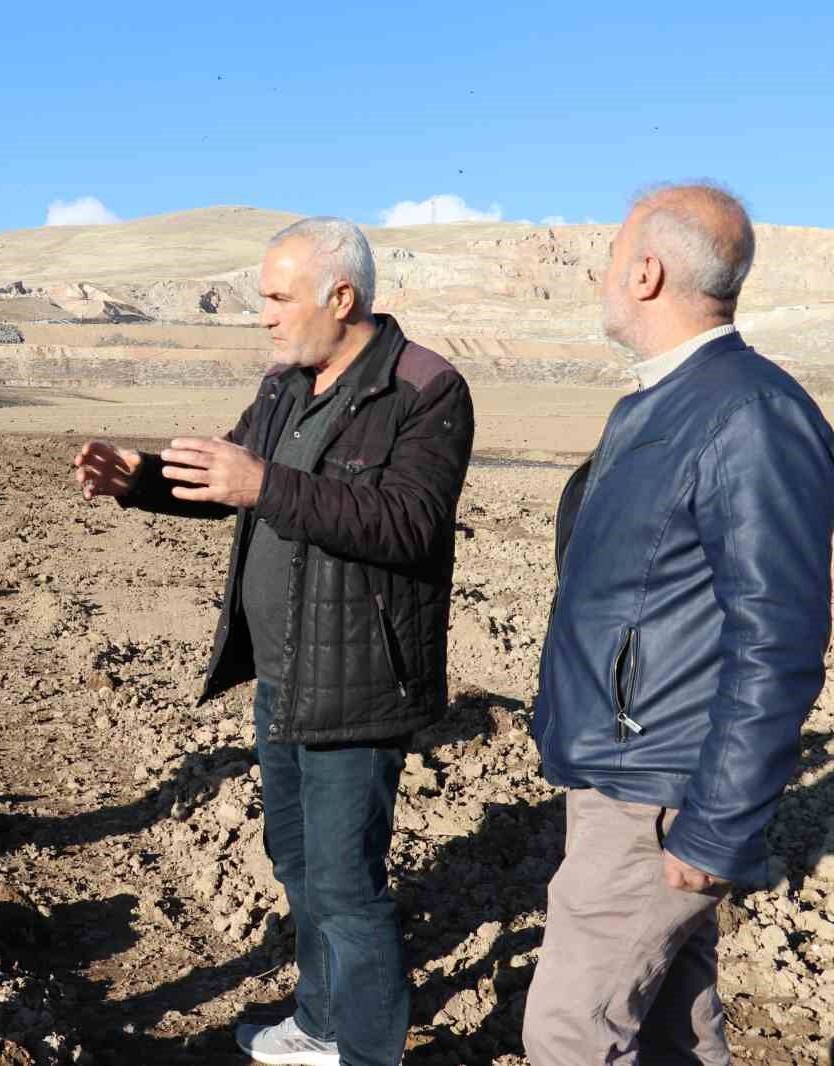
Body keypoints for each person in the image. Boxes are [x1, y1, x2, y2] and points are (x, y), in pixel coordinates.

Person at [74, 218, 474, 1066]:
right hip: (284, 676)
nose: (263, 315)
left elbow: (408, 523)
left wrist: (267, 484)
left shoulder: (426, 390)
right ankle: (323, 1023)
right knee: (294, 861)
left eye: (277, 297)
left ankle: (368, 1053)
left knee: (346, 889)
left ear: (342, 297)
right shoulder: (286, 386)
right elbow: (228, 484)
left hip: (361, 684)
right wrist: (139, 478)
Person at [524, 184, 834, 1063]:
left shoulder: (748, 415)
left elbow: (778, 638)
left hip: (661, 793)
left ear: (647, 272)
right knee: (673, 1031)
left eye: (614, 257)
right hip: (630, 777)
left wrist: (717, 822)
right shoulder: (663, 403)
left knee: (568, 1033)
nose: (604, 274)